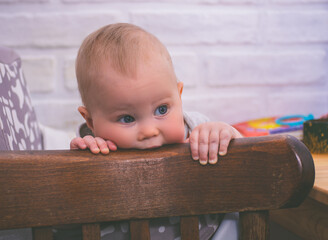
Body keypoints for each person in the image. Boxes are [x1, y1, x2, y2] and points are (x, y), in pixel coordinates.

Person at [70, 23, 242, 240]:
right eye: (127, 118)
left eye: (162, 110)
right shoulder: (92, 150)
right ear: (91, 121)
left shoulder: (199, 130)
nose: (149, 131)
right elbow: (62, 223)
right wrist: (77, 171)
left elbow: (247, 168)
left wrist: (226, 134)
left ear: (178, 96)